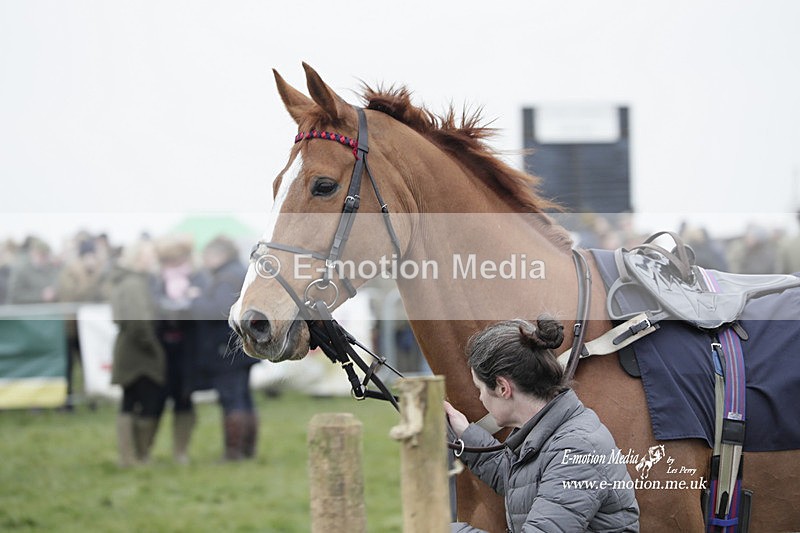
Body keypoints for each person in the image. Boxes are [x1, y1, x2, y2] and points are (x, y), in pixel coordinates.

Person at [445, 316, 639, 533]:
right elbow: (520, 481)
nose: (480, 397)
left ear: (502, 388)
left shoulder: (576, 450)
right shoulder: (549, 431)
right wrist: (464, 433)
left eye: (479, 388)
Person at [189, 236, 259, 461]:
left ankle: (234, 452)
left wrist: (194, 300)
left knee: (232, 399)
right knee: (244, 398)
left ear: (218, 255)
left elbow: (217, 310)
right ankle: (247, 449)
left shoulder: (225, 278)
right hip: (240, 347)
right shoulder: (240, 271)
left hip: (226, 348)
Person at [109, 239, 166, 467]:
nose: (153, 259)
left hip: (130, 349)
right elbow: (139, 322)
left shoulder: (129, 280)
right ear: (138, 258)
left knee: (130, 401)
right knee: (146, 402)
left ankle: (132, 456)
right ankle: (137, 456)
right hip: (138, 353)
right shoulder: (134, 283)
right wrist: (154, 348)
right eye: (149, 254)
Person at [153, 235, 201, 464]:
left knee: (184, 398)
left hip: (187, 348)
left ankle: (180, 450)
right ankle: (145, 450)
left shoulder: (196, 276)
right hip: (160, 347)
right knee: (156, 398)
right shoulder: (156, 279)